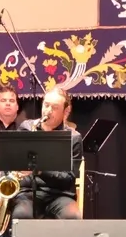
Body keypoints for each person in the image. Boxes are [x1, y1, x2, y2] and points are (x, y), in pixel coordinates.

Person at [8, 88, 82, 219]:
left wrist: (40, 169)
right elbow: (13, 160)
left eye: (54, 107)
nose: (48, 111)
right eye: (46, 105)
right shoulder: (27, 128)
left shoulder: (74, 138)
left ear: (66, 111)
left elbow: (69, 178)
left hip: (59, 194)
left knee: (73, 216)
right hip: (28, 192)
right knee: (21, 215)